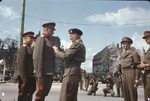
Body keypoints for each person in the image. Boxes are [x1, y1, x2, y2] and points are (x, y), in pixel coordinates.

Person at [53, 28, 86, 101]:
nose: (70, 37)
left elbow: (65, 56)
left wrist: (56, 51)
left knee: (66, 96)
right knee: (71, 97)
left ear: (76, 35)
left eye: (71, 35)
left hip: (70, 72)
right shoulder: (81, 45)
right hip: (74, 72)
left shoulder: (77, 44)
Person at [33, 22, 56, 101]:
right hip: (43, 73)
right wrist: (39, 73)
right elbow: (37, 57)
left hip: (48, 72)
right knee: (40, 94)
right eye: (52, 30)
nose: (53, 32)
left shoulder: (48, 40)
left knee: (44, 93)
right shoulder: (41, 39)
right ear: (46, 29)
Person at [17, 31, 36, 101]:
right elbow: (20, 64)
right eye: (30, 38)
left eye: (32, 38)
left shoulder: (29, 48)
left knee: (29, 94)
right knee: (23, 95)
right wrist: (23, 77)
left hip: (29, 76)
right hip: (24, 76)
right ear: (25, 38)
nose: (32, 39)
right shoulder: (23, 48)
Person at [120, 37, 141, 101]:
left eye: (125, 43)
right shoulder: (123, 54)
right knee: (126, 93)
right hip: (124, 74)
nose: (123, 45)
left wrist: (137, 78)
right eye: (122, 43)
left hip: (131, 73)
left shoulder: (134, 53)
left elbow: (137, 66)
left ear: (129, 44)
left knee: (132, 93)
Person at [138, 31, 150, 101]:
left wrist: (145, 65)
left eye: (147, 38)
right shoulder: (148, 49)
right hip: (147, 76)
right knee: (148, 96)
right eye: (145, 38)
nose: (145, 40)